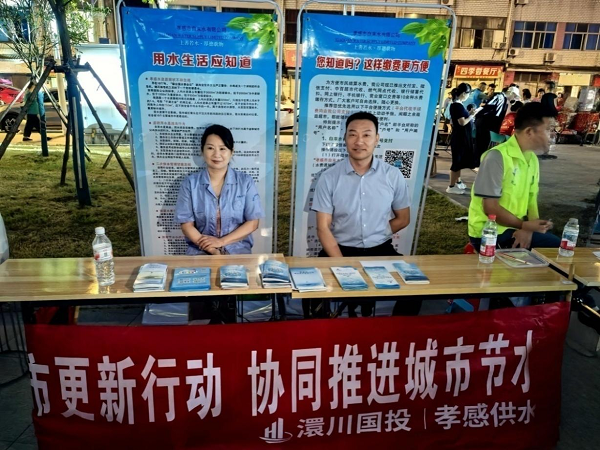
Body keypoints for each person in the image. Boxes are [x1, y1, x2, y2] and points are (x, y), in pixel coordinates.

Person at [311, 111, 420, 317]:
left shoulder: (392, 175)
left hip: (381, 250)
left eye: (367, 135)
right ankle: (321, 334)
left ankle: (397, 333)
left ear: (377, 139)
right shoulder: (329, 177)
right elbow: (323, 227)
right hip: (339, 251)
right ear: (344, 138)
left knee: (415, 288)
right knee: (312, 289)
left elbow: (403, 218)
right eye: (352, 134)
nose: (359, 141)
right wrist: (342, 266)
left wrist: (378, 232)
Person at [468, 102, 561, 251]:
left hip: (514, 227)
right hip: (490, 231)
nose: (553, 134)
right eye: (549, 129)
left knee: (560, 250)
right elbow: (490, 208)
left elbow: (531, 200)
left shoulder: (532, 159)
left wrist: (531, 228)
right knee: (559, 249)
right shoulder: (496, 157)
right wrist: (524, 226)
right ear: (529, 131)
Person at [175, 124, 264, 255]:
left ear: (232, 151)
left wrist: (221, 242)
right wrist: (212, 250)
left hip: (237, 251)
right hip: (200, 251)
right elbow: (186, 225)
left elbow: (253, 222)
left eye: (223, 148)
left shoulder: (245, 182)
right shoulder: (190, 183)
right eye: (210, 148)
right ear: (202, 150)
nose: (217, 154)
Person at [447, 83, 476, 195]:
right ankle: (451, 186)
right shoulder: (457, 106)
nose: (468, 96)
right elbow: (462, 122)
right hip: (459, 138)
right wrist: (471, 116)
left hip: (461, 137)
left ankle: (458, 182)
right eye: (468, 94)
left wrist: (469, 114)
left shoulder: (458, 105)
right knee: (456, 162)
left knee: (459, 162)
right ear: (464, 93)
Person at [474, 86, 517, 161]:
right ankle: (478, 162)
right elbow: (487, 107)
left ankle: (479, 161)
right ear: (511, 93)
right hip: (485, 122)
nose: (514, 98)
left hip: (487, 123)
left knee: (483, 145)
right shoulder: (499, 97)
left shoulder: (504, 99)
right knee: (481, 145)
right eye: (515, 96)